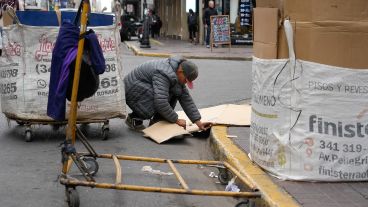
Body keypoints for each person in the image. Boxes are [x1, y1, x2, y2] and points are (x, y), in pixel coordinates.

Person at [124, 56, 211, 131]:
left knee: (177, 91)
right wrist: (176, 120)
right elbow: (160, 102)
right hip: (132, 91)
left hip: (142, 89)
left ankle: (158, 120)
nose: (185, 83)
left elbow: (186, 98)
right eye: (185, 80)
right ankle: (135, 118)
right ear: (180, 71)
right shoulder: (164, 73)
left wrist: (198, 122)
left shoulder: (176, 72)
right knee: (161, 97)